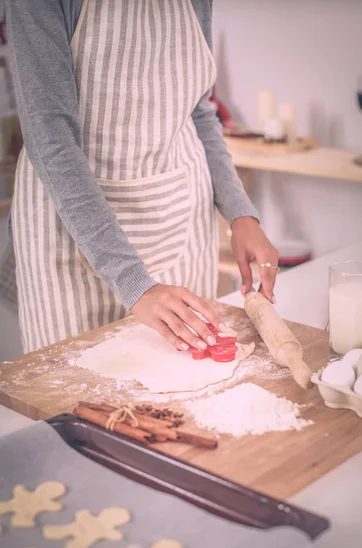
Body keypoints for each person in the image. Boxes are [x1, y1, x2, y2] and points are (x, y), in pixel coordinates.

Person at [7, 0, 279, 354]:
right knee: (77, 402)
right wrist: (135, 283)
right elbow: (50, 135)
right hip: (71, 231)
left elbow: (198, 111)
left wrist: (240, 213)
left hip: (179, 217)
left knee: (186, 395)